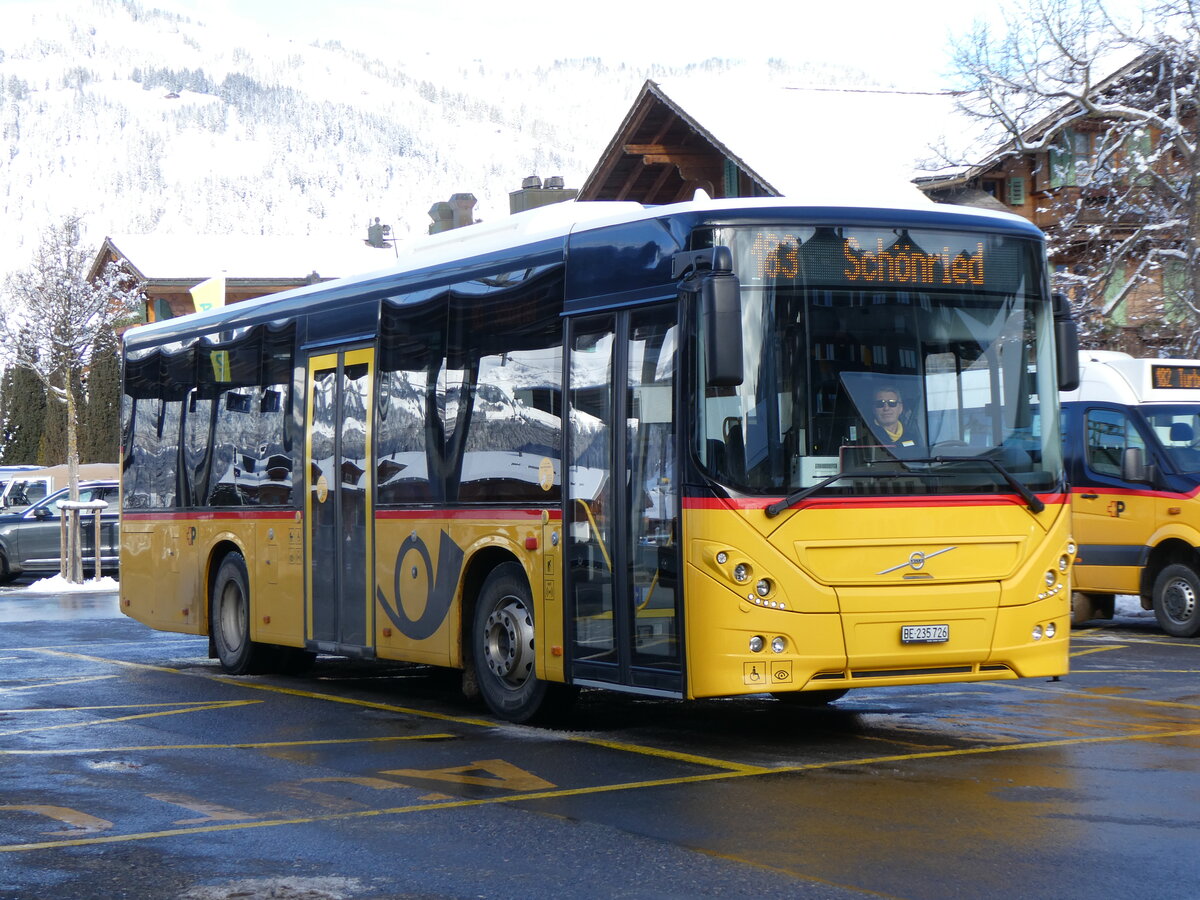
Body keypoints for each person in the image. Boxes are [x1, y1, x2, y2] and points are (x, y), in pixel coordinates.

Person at [866, 385, 924, 458]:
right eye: (880, 403)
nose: (886, 408)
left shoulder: (913, 436)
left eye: (892, 403)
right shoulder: (867, 439)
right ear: (873, 409)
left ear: (900, 408)